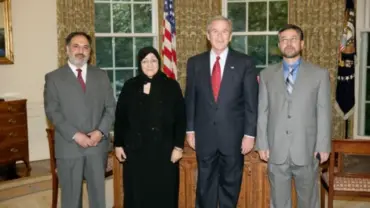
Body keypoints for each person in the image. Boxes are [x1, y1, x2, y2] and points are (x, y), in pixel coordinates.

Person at [185, 16, 259, 208]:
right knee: (204, 185)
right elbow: (191, 99)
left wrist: (250, 134)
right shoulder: (195, 63)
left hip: (233, 137)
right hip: (204, 135)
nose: (220, 36)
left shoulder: (245, 63)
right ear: (207, 35)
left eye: (224, 31)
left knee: (231, 185)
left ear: (231, 35)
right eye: (215, 31)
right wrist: (190, 130)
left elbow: (251, 102)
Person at [255, 24, 331, 208]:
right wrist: (262, 143)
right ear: (279, 45)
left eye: (293, 39)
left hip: (307, 149)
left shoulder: (319, 75)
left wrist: (323, 145)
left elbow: (323, 112)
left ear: (302, 44)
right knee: (279, 202)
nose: (288, 43)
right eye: (284, 40)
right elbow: (263, 111)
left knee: (308, 202)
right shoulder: (266, 75)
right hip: (276, 150)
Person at [44, 32, 116, 208]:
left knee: (98, 198)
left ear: (90, 52)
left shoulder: (101, 75)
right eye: (76, 46)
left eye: (85, 47)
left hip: (96, 146)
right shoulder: (53, 78)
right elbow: (53, 112)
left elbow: (111, 108)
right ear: (67, 49)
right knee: (70, 199)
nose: (80, 51)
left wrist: (100, 132)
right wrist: (76, 135)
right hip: (69, 147)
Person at [114, 46, 186, 208]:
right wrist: (118, 145)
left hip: (165, 152)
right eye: (145, 61)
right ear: (139, 63)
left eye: (153, 60)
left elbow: (181, 119)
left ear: (159, 62)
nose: (149, 64)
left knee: (164, 194)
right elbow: (121, 118)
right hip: (136, 152)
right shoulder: (130, 86)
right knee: (137, 195)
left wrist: (178, 147)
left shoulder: (171, 86)